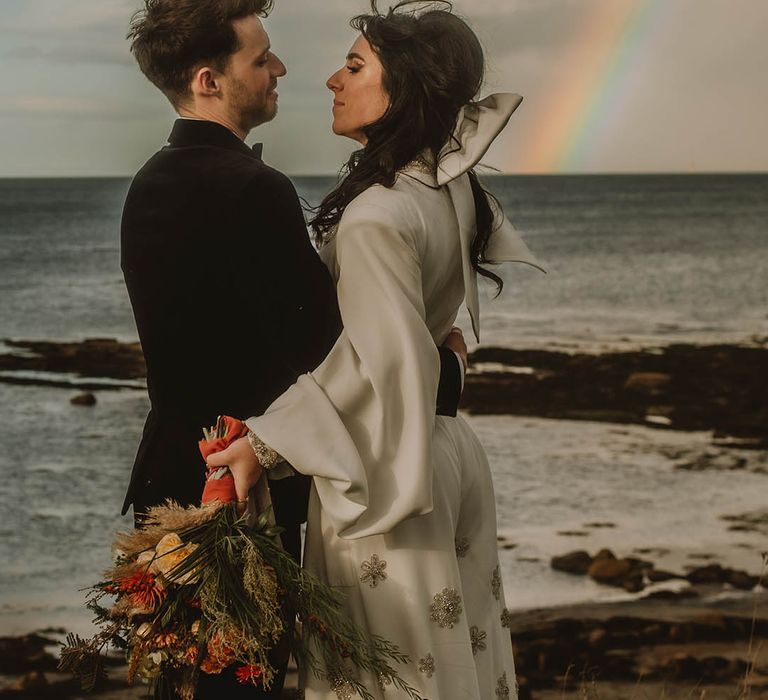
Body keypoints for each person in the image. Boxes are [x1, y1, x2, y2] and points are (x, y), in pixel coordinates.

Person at [120, 1, 466, 697]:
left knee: (177, 684)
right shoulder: (253, 187)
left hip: (165, 480)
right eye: (261, 58)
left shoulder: (148, 182)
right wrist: (445, 370)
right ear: (209, 80)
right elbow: (332, 352)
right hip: (239, 497)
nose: (280, 68)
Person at [207, 1, 545, 698]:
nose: (333, 79)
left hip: (392, 475)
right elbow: (423, 347)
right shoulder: (451, 192)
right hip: (449, 454)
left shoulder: (374, 216)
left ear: (407, 90)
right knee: (461, 665)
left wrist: (263, 446)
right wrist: (448, 364)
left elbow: (380, 363)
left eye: (355, 66)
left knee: (385, 678)